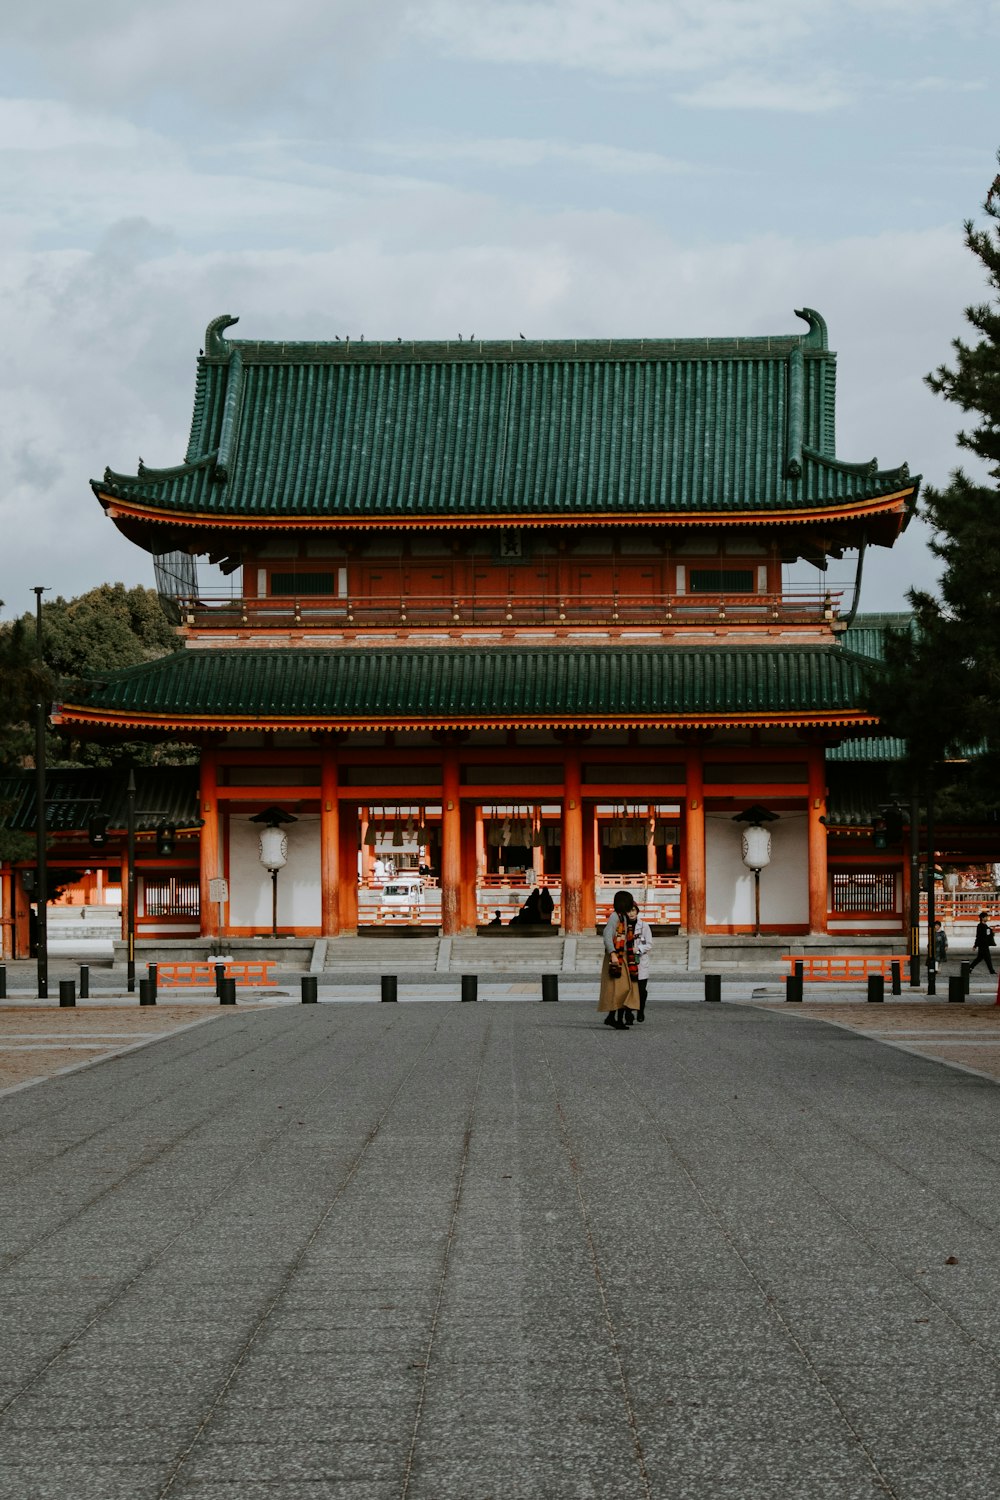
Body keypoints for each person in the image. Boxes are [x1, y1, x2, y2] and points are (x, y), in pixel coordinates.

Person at [598, 890, 649, 1029]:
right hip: (617, 956)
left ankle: (613, 1017)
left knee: (624, 989)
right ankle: (616, 1019)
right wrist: (613, 953)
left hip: (626, 956)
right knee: (621, 988)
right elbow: (607, 934)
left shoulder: (625, 917)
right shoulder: (615, 917)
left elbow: (642, 940)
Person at [969, 911, 996, 975]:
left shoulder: (986, 926)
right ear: (982, 918)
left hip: (985, 944)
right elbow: (978, 936)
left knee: (979, 958)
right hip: (982, 945)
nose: (987, 918)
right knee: (987, 958)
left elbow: (988, 934)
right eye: (986, 917)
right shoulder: (980, 926)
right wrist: (975, 945)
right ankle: (991, 971)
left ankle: (970, 968)